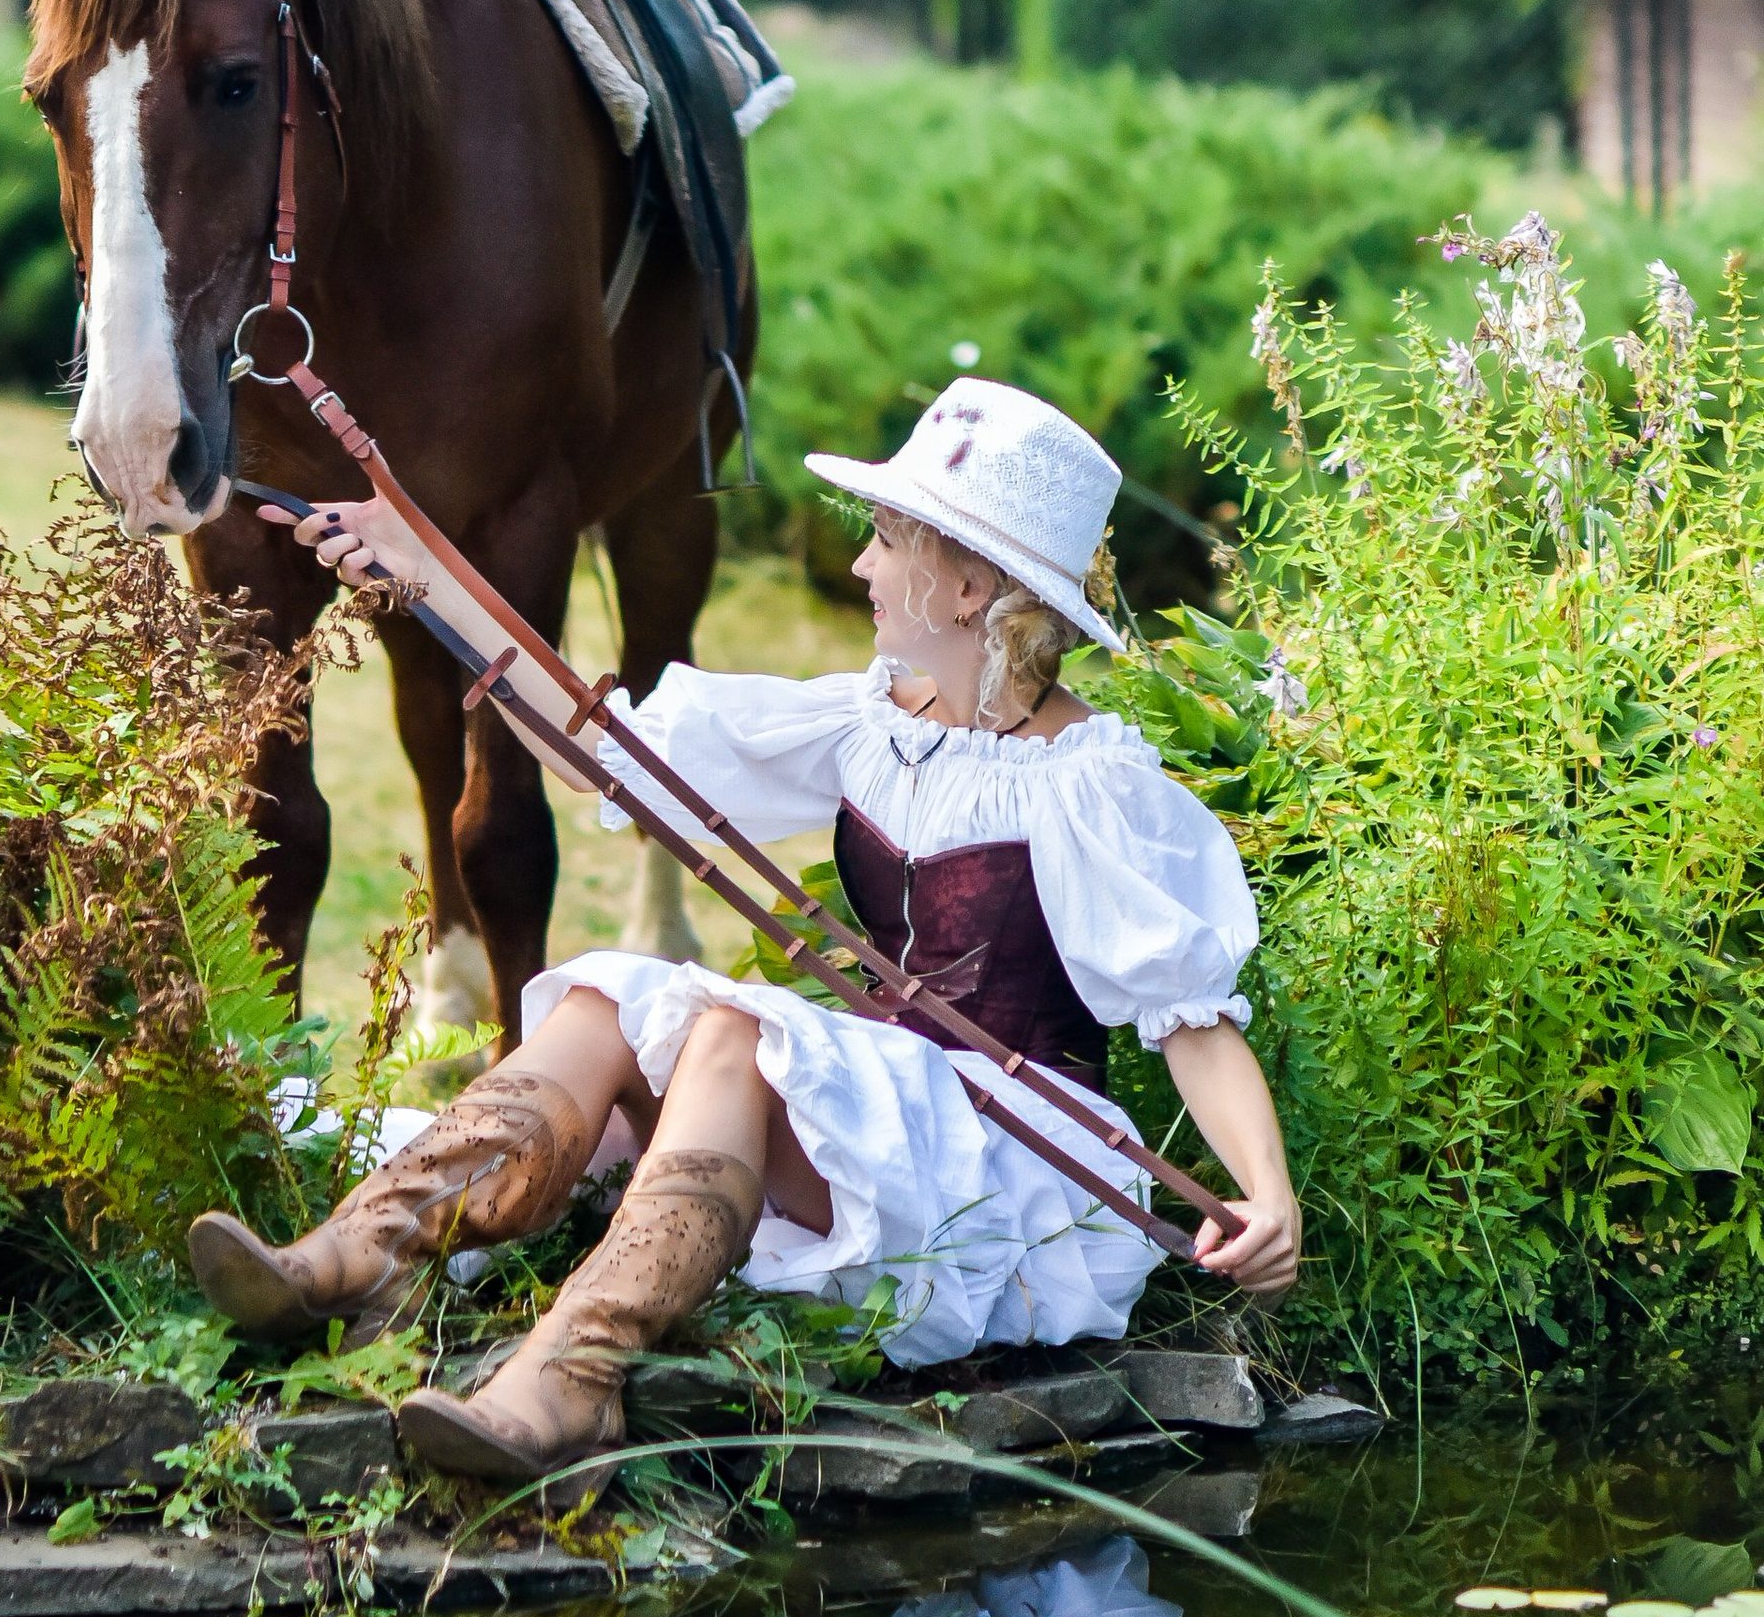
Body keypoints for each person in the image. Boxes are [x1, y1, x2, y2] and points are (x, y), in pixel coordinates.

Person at [186, 378, 1298, 1487]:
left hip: (1008, 1168)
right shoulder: (869, 726)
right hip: (871, 1130)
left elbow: (1186, 1015)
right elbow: (609, 748)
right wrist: (426, 567)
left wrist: (1267, 1197)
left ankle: (574, 1380)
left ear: (966, 586)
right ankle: (363, 1252)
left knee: (726, 1029)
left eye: (885, 539)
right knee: (607, 1000)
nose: (860, 566)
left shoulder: (1087, 781)